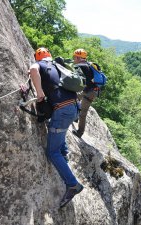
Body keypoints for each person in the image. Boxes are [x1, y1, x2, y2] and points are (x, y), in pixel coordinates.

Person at [29, 47, 83, 208]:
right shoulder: (57, 66)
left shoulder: (41, 65)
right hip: (73, 108)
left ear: (38, 57)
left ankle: (73, 185)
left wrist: (39, 92)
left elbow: (33, 70)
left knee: (52, 152)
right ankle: (64, 154)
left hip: (63, 110)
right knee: (57, 128)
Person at [72, 49, 99, 138]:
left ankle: (80, 132)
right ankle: (75, 117)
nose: (74, 59)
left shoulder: (80, 66)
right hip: (90, 90)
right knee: (74, 98)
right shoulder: (88, 64)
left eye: (74, 57)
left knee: (83, 114)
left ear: (78, 57)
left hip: (88, 91)